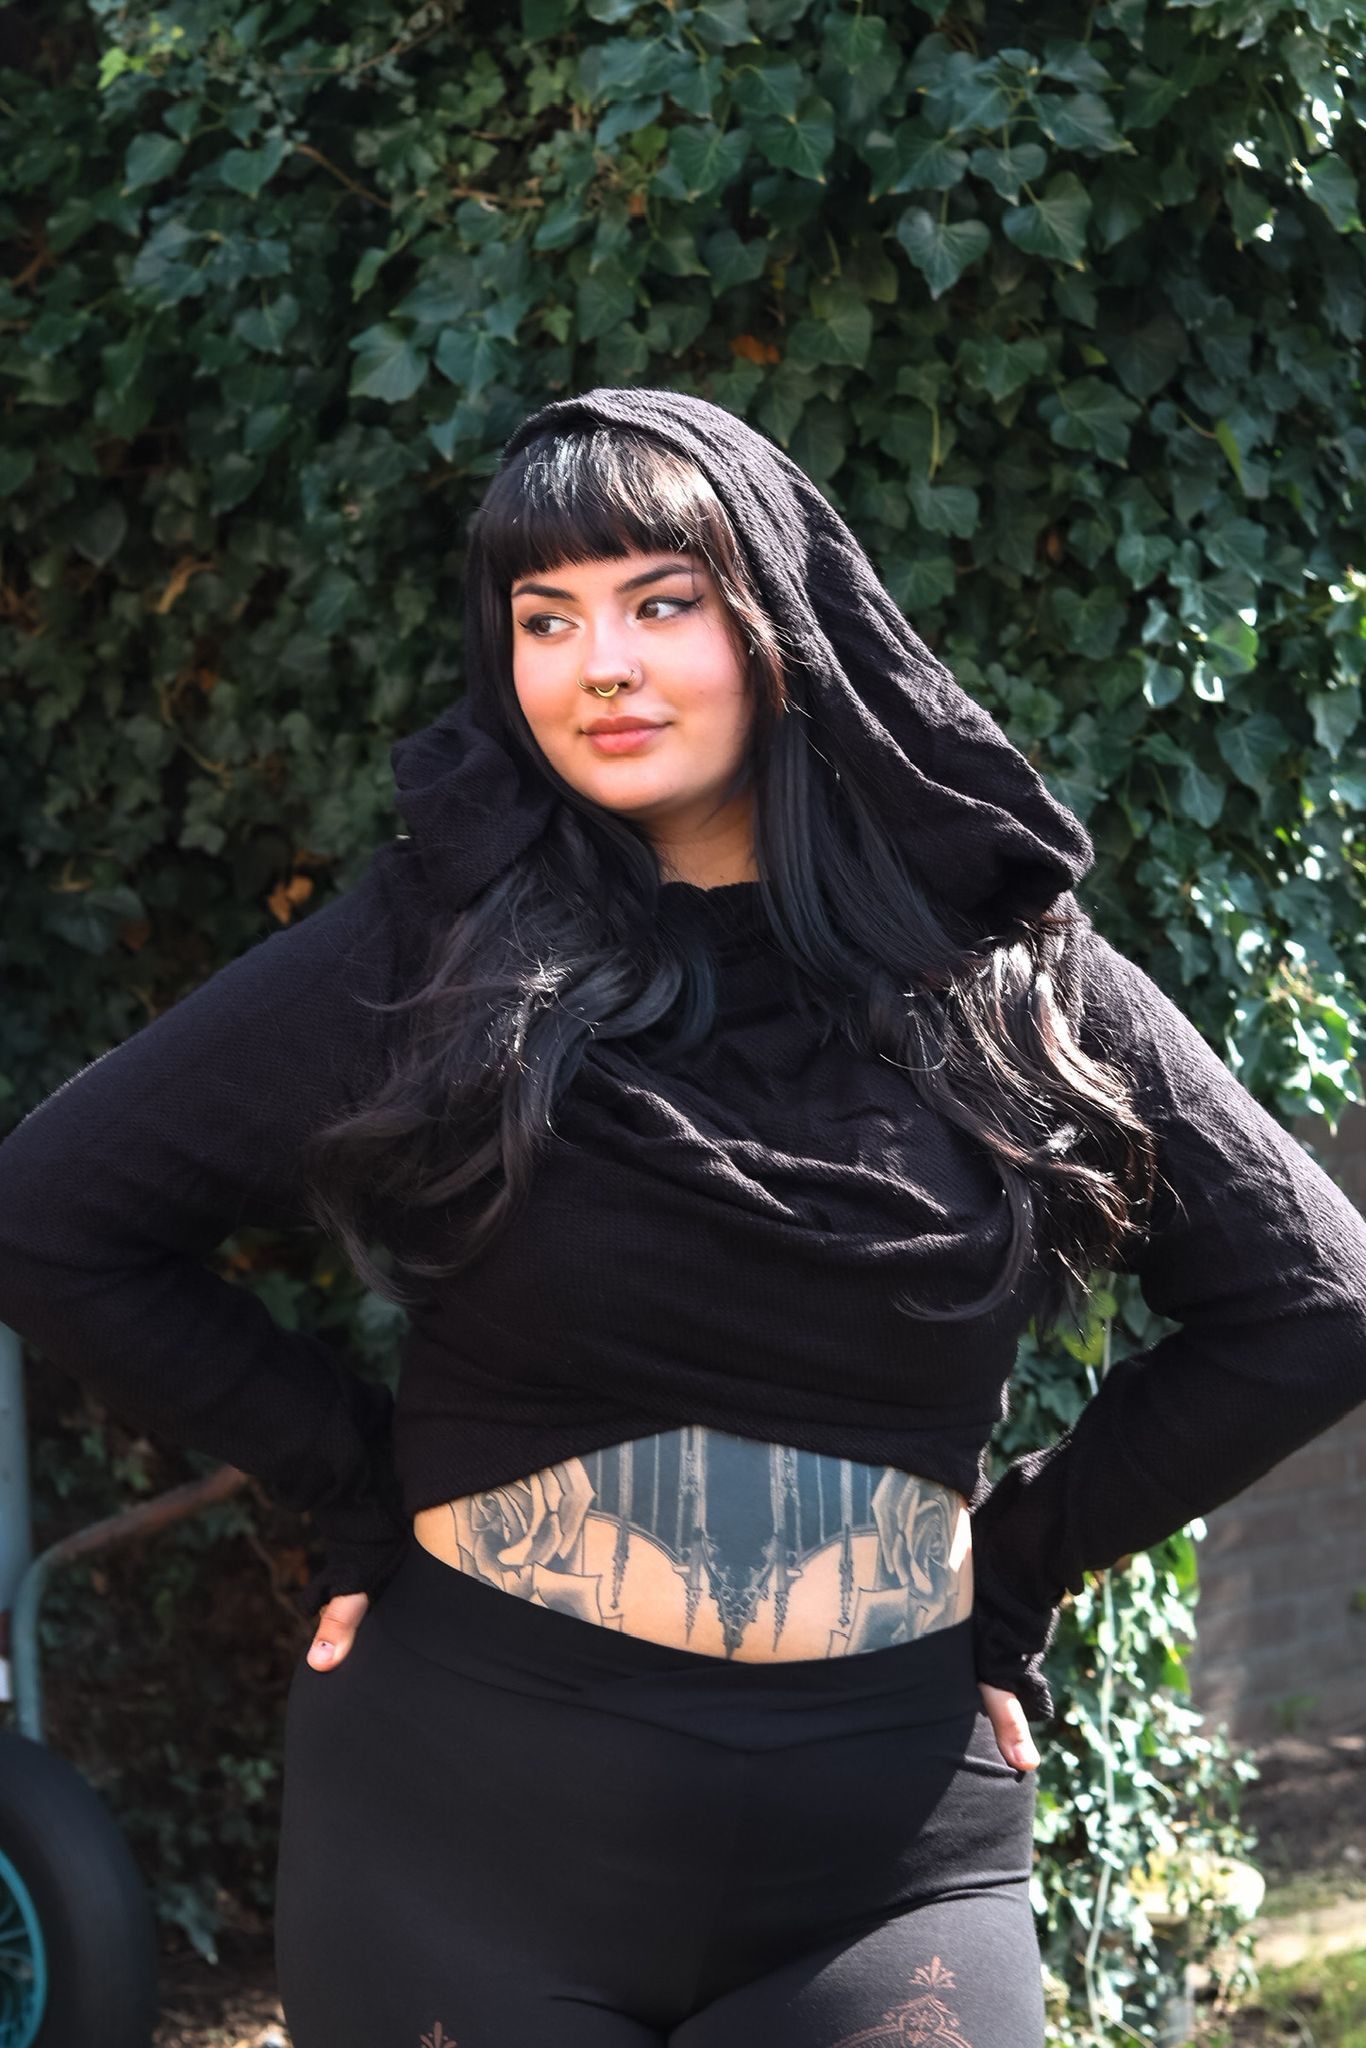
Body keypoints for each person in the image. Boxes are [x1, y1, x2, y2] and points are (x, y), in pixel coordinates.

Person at [2, 385, 1364, 2048]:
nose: (598, 666)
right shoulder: (431, 953)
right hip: (465, 1822)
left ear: (783, 624)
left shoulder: (1001, 971)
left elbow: (1315, 1305)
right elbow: (52, 1214)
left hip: (887, 1852)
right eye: (544, 618)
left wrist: (1023, 1559)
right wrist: (352, 1479)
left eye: (661, 604)